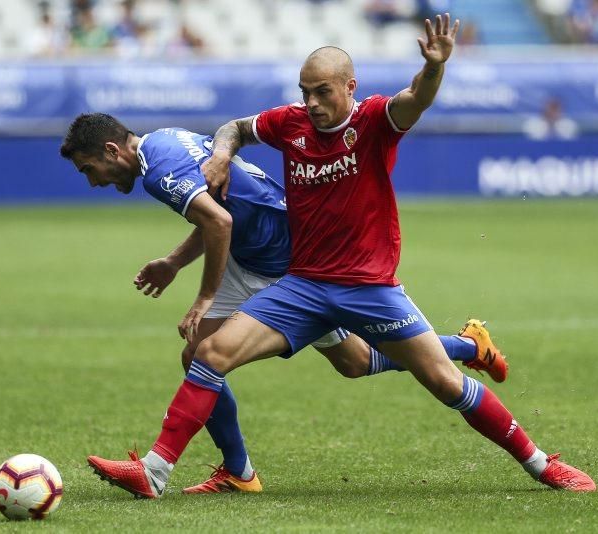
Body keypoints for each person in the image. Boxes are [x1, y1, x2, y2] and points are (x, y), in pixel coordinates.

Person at [85, 13, 596, 498]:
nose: (311, 102)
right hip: (301, 284)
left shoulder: (374, 121)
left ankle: (540, 463)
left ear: (350, 87)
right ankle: (156, 472)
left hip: (369, 288)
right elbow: (237, 129)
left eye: (322, 91)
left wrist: (434, 66)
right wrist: (222, 153)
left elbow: (415, 99)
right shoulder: (290, 124)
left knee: (441, 382)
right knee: (207, 354)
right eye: (305, 92)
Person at [61, 113, 508, 493]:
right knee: (203, 354)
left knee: (353, 361)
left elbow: (218, 222)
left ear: (110, 150)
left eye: (87, 169)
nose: (93, 182)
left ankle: (466, 346)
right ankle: (239, 473)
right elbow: (222, 209)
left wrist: (204, 298)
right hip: (253, 248)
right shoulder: (164, 141)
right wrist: (174, 263)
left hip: (285, 260)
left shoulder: (159, 171)